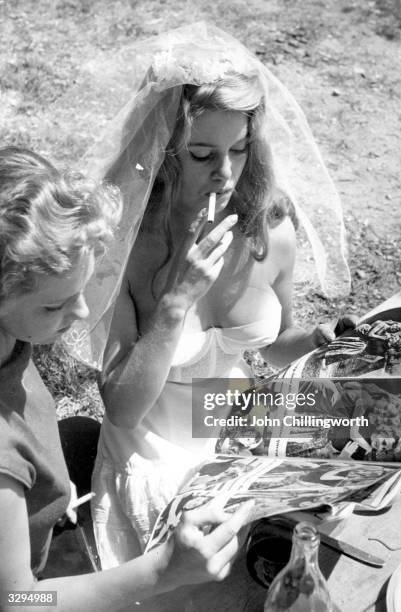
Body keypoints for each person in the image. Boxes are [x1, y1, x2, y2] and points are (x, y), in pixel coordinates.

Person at [63, 23, 354, 568]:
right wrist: (177, 301)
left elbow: (272, 348)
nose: (225, 173)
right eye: (201, 154)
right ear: (164, 151)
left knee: (400, 450)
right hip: (155, 451)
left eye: (240, 149)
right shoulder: (128, 240)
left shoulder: (269, 227)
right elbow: (123, 409)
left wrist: (315, 339)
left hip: (239, 425)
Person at [0, 146, 254, 612]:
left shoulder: (11, 337)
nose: (80, 314)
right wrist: (161, 570)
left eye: (80, 294)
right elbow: (18, 600)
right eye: (55, 305)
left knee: (79, 436)